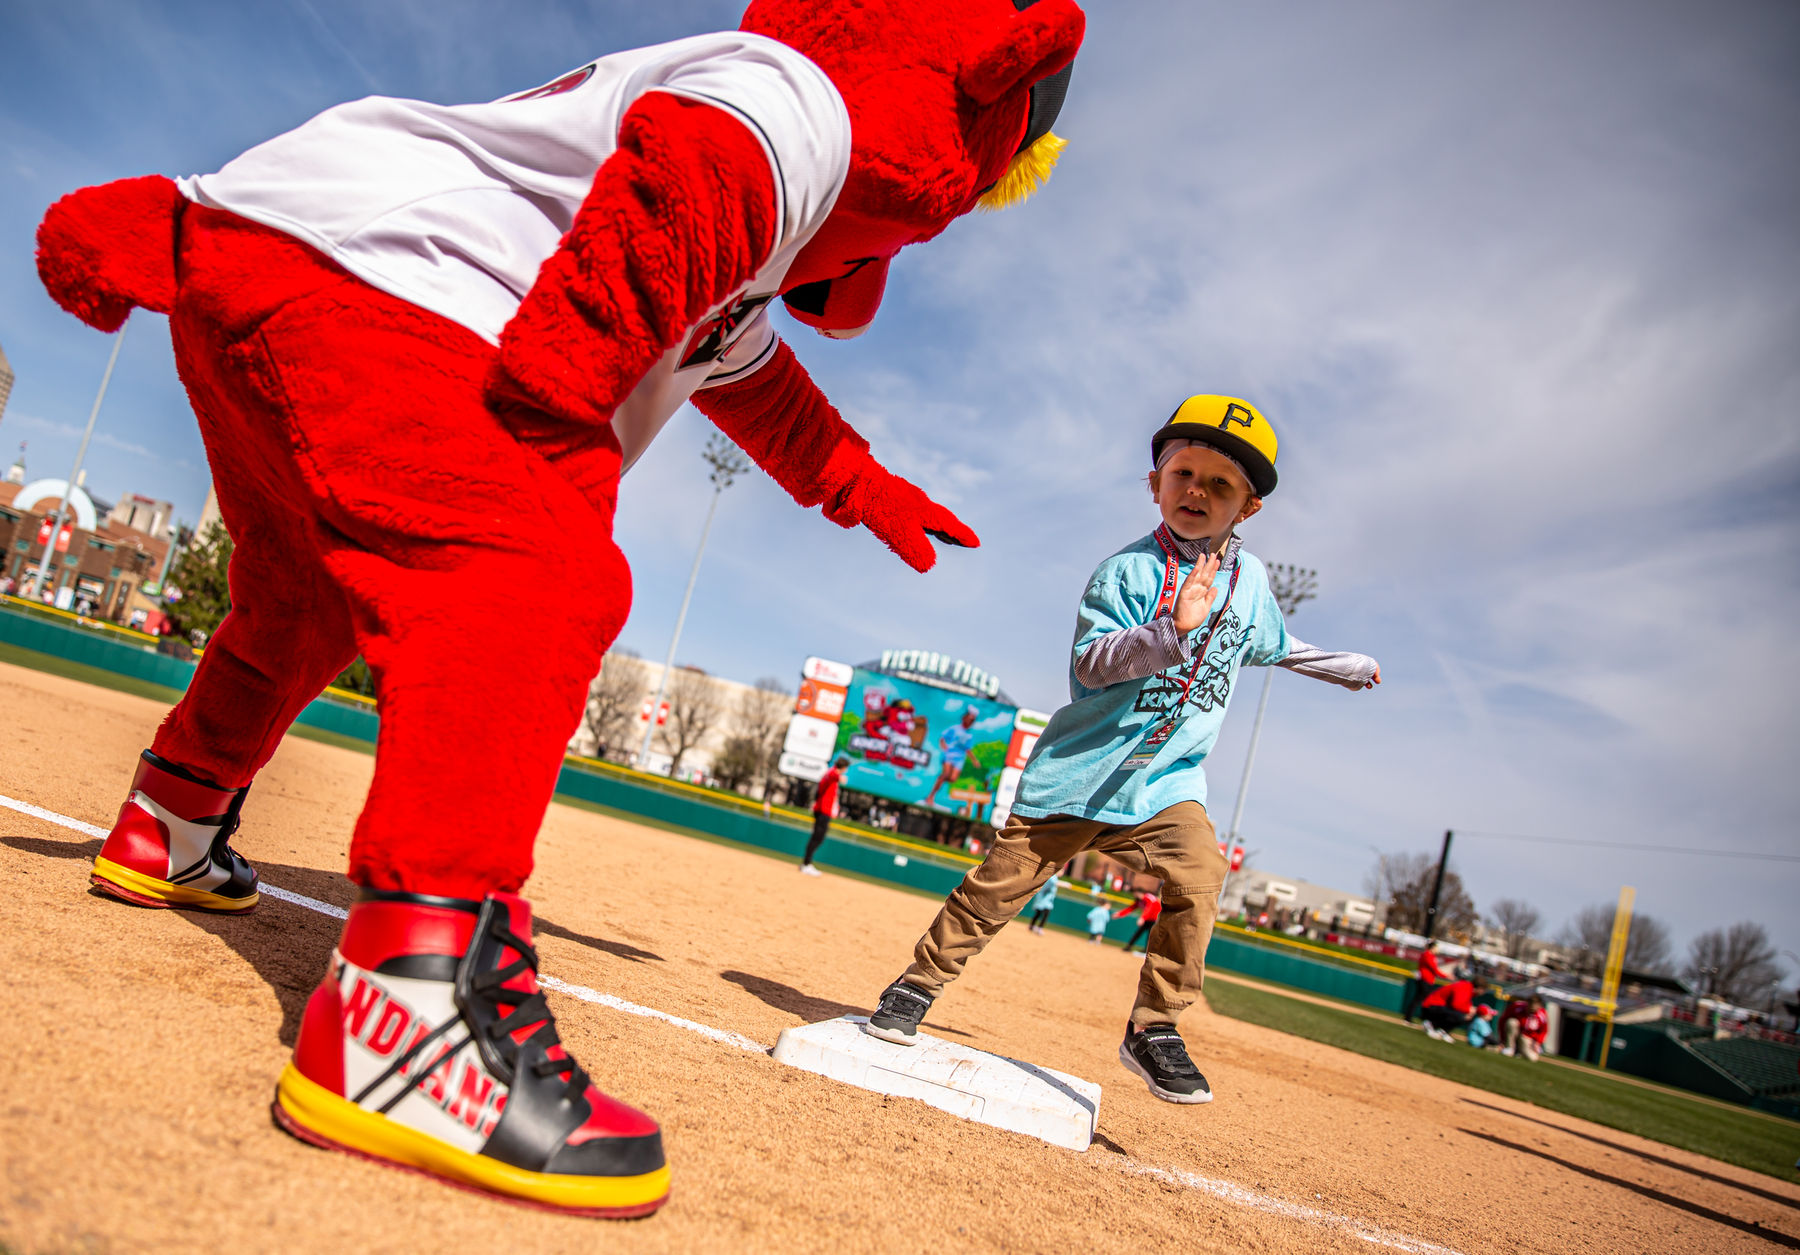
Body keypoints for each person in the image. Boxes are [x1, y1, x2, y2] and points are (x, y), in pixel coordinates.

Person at [38, 0, 1084, 1217]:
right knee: (540, 570)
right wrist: (556, 421)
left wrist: (853, 481)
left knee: (298, 600)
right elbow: (702, 163)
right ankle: (411, 1017)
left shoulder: (753, 190)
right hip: (386, 294)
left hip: (253, 253)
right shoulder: (807, 105)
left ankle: (169, 819)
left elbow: (752, 377)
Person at [862, 395, 1381, 1104]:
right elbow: (1092, 664)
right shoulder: (1125, 573)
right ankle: (917, 983)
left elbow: (1271, 643)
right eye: (1183, 473)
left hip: (1166, 783)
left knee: (1199, 878)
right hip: (1079, 776)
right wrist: (1172, 627)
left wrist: (1338, 664)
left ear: (1248, 508)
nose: (1196, 491)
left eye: (1220, 484)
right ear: (1155, 482)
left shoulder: (1252, 582)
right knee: (994, 891)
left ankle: (1155, 1025)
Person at [801, 755, 849, 875]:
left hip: (822, 809)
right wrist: (840, 777)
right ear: (843, 767)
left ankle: (806, 863)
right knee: (817, 838)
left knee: (818, 838)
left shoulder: (829, 773)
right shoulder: (832, 773)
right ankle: (806, 864)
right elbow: (834, 776)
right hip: (823, 810)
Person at [924, 707, 980, 809]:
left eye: (972, 720)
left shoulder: (969, 736)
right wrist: (944, 746)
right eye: (969, 719)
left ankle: (940, 779)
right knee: (945, 773)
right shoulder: (955, 728)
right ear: (964, 718)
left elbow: (968, 749)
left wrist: (974, 760)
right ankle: (931, 796)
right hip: (949, 755)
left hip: (959, 759)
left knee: (953, 778)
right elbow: (942, 738)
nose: (970, 722)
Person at [1421, 975, 1490, 1042]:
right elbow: (1456, 1005)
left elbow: (1465, 1004)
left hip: (1440, 1008)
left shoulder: (1469, 989)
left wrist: (1468, 1012)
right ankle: (1430, 1024)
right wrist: (1469, 1010)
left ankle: (1442, 1032)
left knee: (1465, 1017)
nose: (1483, 993)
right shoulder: (1465, 986)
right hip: (1431, 1007)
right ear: (1480, 988)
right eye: (1483, 990)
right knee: (1460, 1016)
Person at [1404, 940, 1450, 1024]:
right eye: (1436, 947)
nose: (1437, 949)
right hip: (1425, 981)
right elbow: (1434, 969)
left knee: (1421, 1000)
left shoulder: (1429, 955)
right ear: (1432, 947)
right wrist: (1446, 976)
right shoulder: (1427, 955)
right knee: (1424, 1000)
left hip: (1426, 981)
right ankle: (1415, 1018)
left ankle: (1411, 1017)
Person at [1500, 994, 1549, 1060]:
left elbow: (1543, 1031)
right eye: (1531, 1003)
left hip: (1527, 1038)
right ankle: (1509, 1048)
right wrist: (1502, 1039)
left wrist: (1537, 1043)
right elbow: (1503, 1020)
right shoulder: (1517, 1006)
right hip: (1515, 1032)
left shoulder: (1542, 1015)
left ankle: (1519, 1051)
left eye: (1535, 1004)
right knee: (1511, 1022)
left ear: (1539, 1006)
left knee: (1532, 1058)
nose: (1532, 1006)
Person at [1116, 889, 1162, 954]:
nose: (1134, 895)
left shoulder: (1148, 897)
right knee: (1138, 933)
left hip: (1155, 919)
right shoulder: (1139, 901)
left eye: (1135, 893)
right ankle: (1129, 946)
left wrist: (1143, 918)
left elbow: (1150, 908)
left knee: (1150, 936)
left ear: (1140, 893)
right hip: (1147, 919)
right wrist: (1119, 914)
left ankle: (1147, 950)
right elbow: (1131, 908)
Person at [1026, 870, 1061, 934]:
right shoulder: (1053, 877)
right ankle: (1039, 928)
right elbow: (1054, 883)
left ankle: (1033, 926)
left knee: (1040, 913)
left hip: (1045, 899)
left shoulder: (1054, 877)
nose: (1062, 873)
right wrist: (1065, 884)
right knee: (1044, 913)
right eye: (1061, 871)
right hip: (1044, 899)